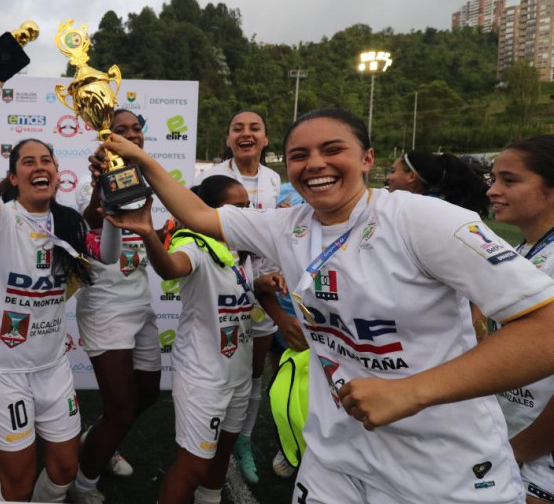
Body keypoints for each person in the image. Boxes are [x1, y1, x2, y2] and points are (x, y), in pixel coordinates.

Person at [103, 108, 554, 503]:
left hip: (440, 466)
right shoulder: (289, 224)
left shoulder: (422, 220)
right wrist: (141, 159)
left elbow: (545, 329)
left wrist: (413, 391)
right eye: (299, 155)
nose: (315, 163)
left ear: (367, 159)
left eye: (332, 149)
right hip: (333, 459)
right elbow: (201, 216)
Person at [0, 43, 118, 502]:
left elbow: (108, 257)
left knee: (64, 470)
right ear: (13, 177)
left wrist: (114, 210)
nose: (40, 167)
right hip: (3, 372)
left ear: (57, 173)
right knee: (16, 483)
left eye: (47, 161)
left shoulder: (68, 221)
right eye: (27, 162)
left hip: (53, 368)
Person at [108, 176, 255, 504]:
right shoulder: (196, 245)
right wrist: (149, 234)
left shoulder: (243, 250)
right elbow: (171, 269)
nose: (246, 215)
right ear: (209, 212)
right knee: (192, 468)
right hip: (204, 377)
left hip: (238, 374)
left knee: (223, 452)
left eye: (248, 207)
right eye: (237, 208)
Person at [70, 109, 161, 503]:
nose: (131, 135)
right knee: (121, 409)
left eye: (136, 129)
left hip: (141, 303)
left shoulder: (149, 178)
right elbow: (89, 223)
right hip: (105, 307)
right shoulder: (89, 181)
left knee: (148, 394)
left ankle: (98, 439)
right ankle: (82, 484)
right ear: (105, 139)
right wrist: (98, 186)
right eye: (120, 130)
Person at [196, 110, 284, 483]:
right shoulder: (209, 178)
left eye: (254, 128)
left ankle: (243, 438)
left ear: (265, 139)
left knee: (253, 372)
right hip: (222, 287)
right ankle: (203, 437)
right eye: (237, 129)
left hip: (263, 287)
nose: (246, 134)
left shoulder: (274, 178)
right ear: (228, 139)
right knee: (218, 366)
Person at [487, 135, 554, 503]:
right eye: (494, 179)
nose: (493, 191)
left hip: (538, 450)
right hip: (516, 432)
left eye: (509, 181)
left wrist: (522, 449)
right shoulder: (522, 250)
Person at [385, 150, 490, 216]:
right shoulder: (436, 205)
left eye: (393, 171)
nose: (387, 177)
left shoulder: (423, 211)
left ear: (411, 176)